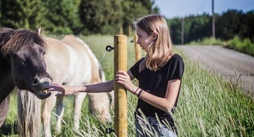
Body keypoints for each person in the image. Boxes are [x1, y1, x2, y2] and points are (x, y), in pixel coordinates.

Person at [48, 14, 184, 137]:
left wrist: (133, 89)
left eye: (140, 36)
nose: (137, 42)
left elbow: (168, 105)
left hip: (162, 129)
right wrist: (73, 89)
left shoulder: (174, 62)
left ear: (154, 35)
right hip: (141, 125)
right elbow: (109, 85)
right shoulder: (143, 64)